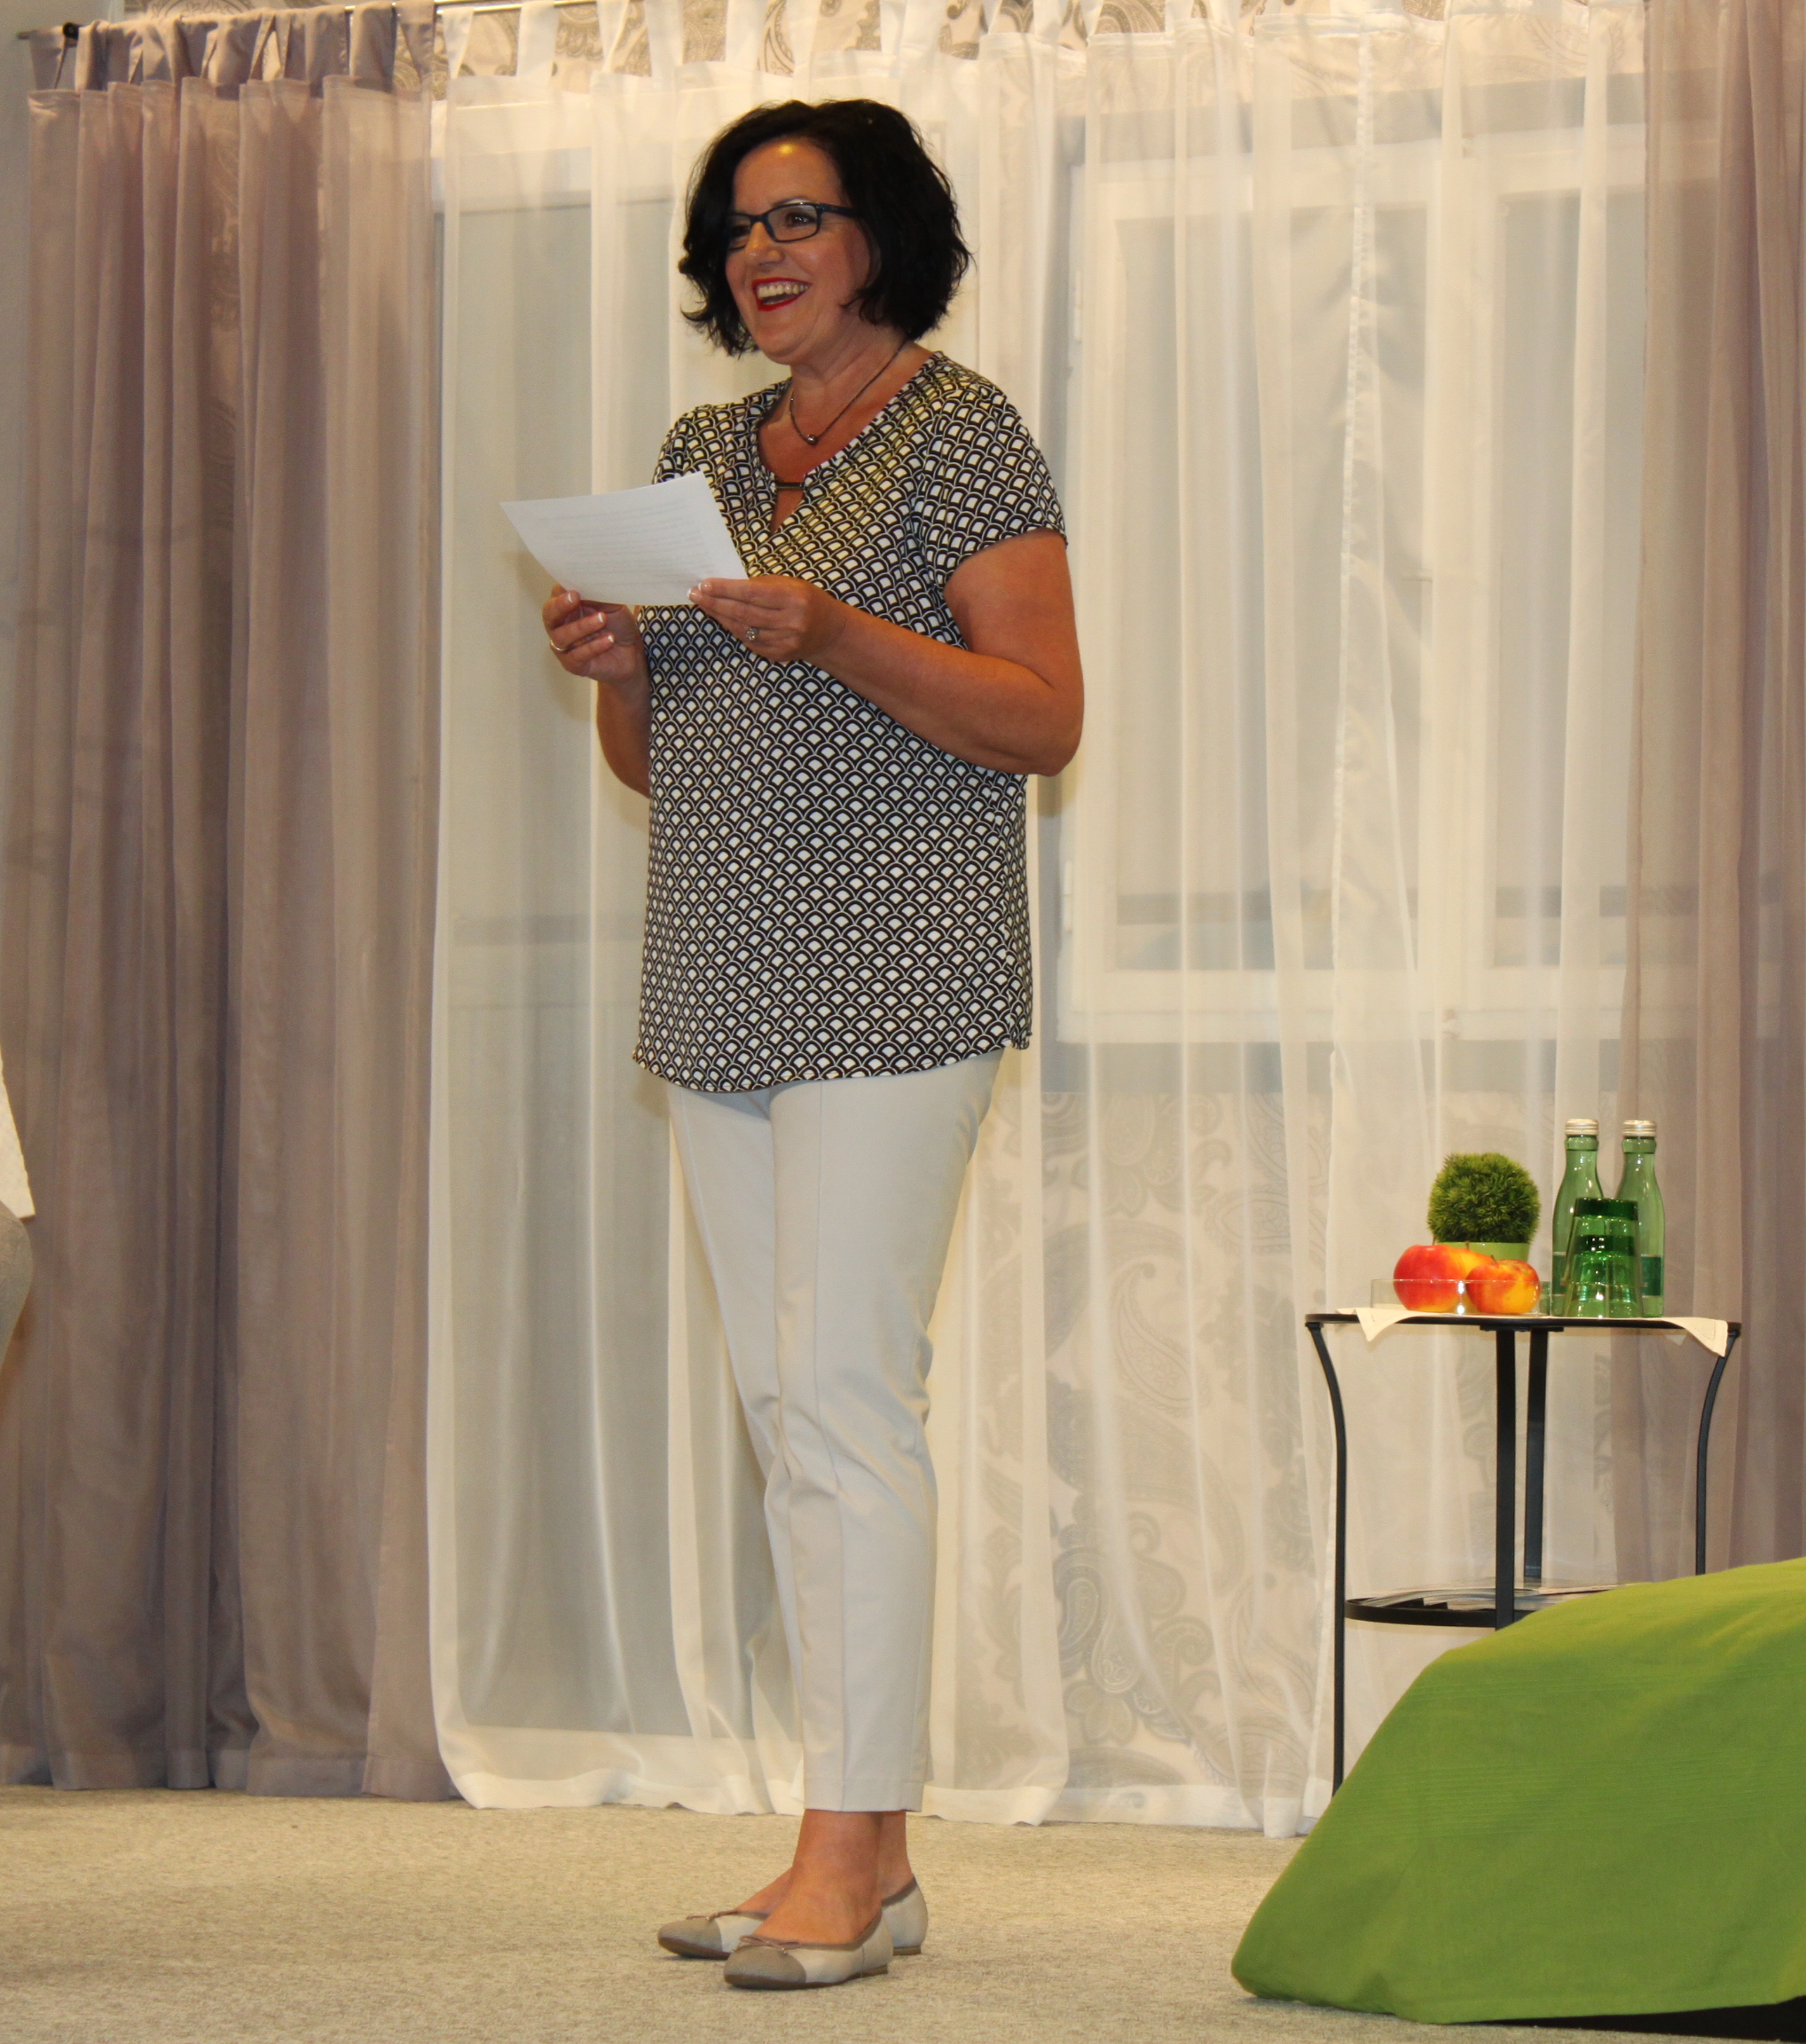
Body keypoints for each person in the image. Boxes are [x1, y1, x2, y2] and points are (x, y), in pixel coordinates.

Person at [539, 98, 1080, 1992]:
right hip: (719, 976)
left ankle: (850, 1847)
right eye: (737, 228)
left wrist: (837, 632)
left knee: (846, 1399)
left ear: (879, 239)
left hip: (897, 978)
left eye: (798, 219)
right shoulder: (701, 454)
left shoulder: (962, 431)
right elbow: (657, 762)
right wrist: (622, 674)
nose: (760, 255)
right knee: (789, 1414)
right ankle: (853, 1853)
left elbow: (1041, 718)